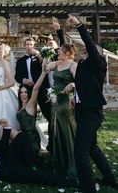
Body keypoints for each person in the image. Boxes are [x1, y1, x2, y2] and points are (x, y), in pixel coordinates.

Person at [64, 15, 118, 192]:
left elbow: (89, 45)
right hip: (81, 110)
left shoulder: (98, 63)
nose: (86, 50)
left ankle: (88, 189)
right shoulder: (82, 64)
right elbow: (81, 84)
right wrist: (75, 97)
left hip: (92, 113)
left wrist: (79, 25)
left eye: (90, 49)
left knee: (80, 153)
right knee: (92, 148)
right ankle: (110, 179)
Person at [0, 122, 76, 187]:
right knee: (35, 176)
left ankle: (33, 163)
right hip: (2, 171)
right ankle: (70, 182)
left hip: (4, 159)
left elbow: (0, 146)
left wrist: (5, 129)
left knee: (22, 136)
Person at [47, 43, 77, 180]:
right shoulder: (58, 63)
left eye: (60, 50)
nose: (58, 52)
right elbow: (45, 68)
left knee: (66, 132)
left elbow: (80, 82)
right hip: (55, 102)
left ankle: (71, 166)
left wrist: (72, 85)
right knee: (55, 130)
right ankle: (59, 164)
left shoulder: (73, 65)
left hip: (66, 102)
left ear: (67, 52)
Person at [16, 58, 48, 163]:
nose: (23, 94)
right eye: (21, 92)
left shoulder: (30, 105)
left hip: (31, 140)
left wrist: (43, 72)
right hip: (24, 139)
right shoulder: (20, 107)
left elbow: (35, 89)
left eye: (25, 92)